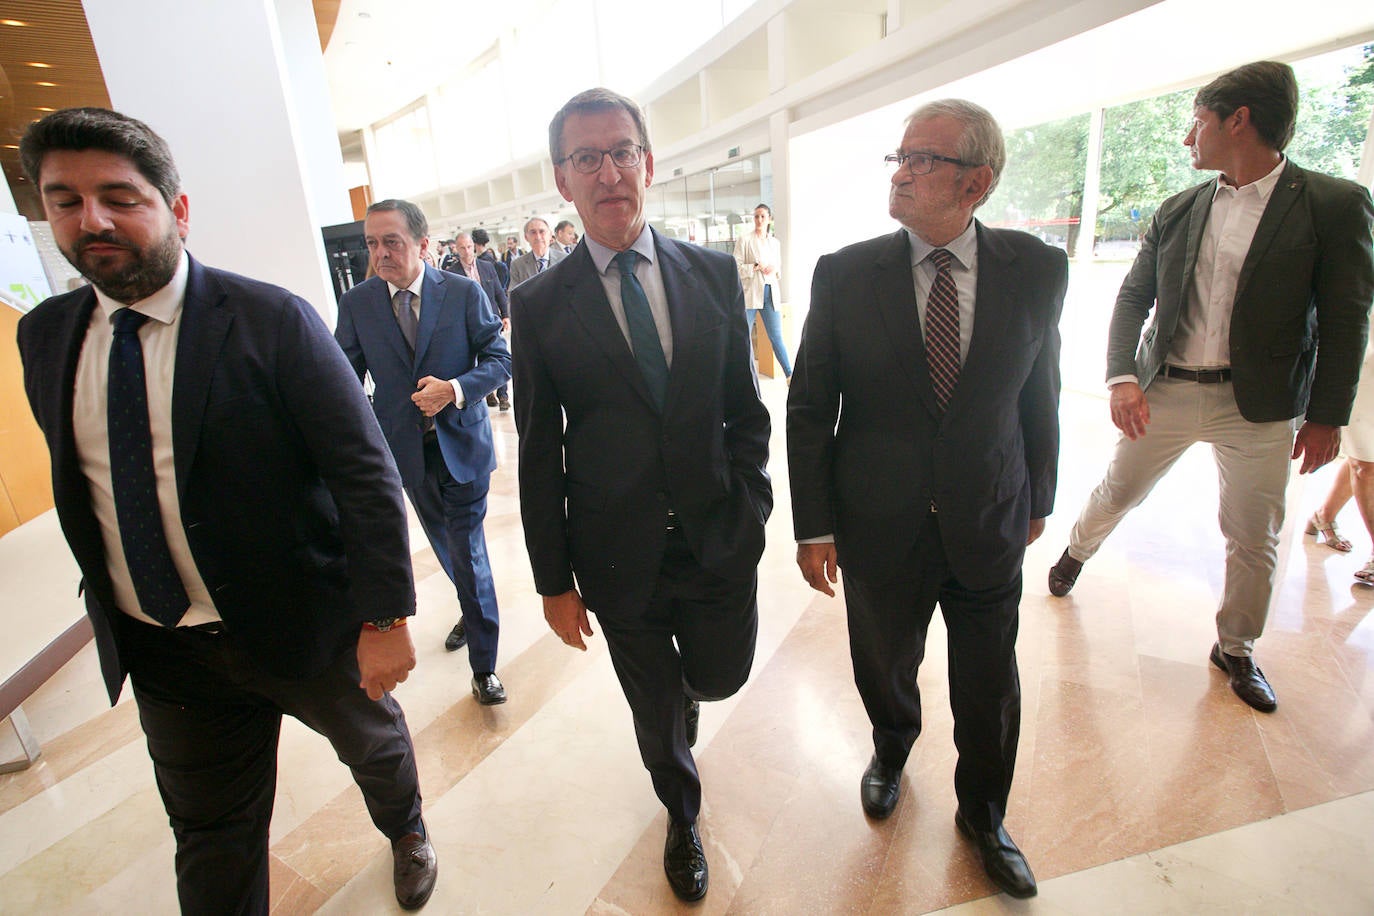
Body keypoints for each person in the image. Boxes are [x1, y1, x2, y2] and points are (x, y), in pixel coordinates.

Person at [16, 107, 438, 912]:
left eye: (118, 195)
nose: (91, 218)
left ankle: (407, 828)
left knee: (375, 749)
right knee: (209, 834)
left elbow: (363, 474)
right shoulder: (45, 338)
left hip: (302, 626)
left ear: (176, 209)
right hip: (164, 649)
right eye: (64, 199)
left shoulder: (270, 319)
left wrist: (385, 618)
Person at [788, 98, 1066, 900]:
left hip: (987, 512)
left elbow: (1037, 391)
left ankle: (983, 814)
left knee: (990, 680)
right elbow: (810, 406)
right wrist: (815, 525)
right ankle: (891, 742)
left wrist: (1038, 494)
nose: (902, 171)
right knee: (885, 655)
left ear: (976, 182)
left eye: (924, 160)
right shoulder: (846, 273)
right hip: (879, 520)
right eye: (900, 157)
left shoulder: (1037, 269)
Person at [1046, 61, 1374, 713]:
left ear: (1238, 120)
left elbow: (1345, 317)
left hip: (1260, 406)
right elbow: (1136, 294)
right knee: (1120, 489)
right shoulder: (1180, 207)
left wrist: (1326, 416)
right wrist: (1120, 377)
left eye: (1197, 123)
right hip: (1165, 388)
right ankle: (1076, 552)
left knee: (1255, 533)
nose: (1188, 138)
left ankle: (1237, 647)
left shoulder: (1333, 205)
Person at [510, 88, 771, 902]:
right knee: (655, 712)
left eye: (622, 151)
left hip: (716, 533)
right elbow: (538, 453)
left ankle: (690, 699)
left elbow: (743, 408)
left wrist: (753, 507)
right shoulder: (538, 306)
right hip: (616, 554)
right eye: (587, 158)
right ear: (563, 180)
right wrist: (554, 581)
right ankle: (682, 813)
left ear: (649, 165)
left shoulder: (713, 273)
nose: (609, 171)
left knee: (718, 677)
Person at [336, 200, 513, 704]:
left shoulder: (461, 292)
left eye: (391, 241)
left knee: (468, 549)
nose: (380, 253)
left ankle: (485, 667)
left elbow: (500, 360)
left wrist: (454, 389)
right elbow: (344, 382)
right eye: (371, 243)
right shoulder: (358, 305)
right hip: (407, 454)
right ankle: (471, 605)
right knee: (445, 545)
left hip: (464, 446)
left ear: (422, 243)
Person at [453, 231, 513, 413]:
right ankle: (487, 393)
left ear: (474, 246)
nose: (467, 251)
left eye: (469, 247)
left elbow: (498, 293)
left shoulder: (487, 267)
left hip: (492, 317)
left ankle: (503, 395)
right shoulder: (451, 273)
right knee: (478, 359)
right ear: (457, 250)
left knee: (498, 356)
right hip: (467, 323)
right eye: (462, 248)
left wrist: (506, 314)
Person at [734, 203, 792, 380]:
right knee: (744, 337)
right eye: (756, 216)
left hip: (770, 294)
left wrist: (774, 269)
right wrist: (755, 267)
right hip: (751, 294)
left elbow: (779, 269)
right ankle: (746, 376)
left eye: (762, 216)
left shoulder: (775, 243)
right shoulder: (744, 240)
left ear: (769, 219)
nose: (759, 220)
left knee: (776, 337)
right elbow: (735, 266)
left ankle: (790, 375)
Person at [507, 216, 567, 287]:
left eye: (542, 231)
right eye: (533, 232)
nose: (538, 237)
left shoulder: (565, 259)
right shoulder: (517, 265)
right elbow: (513, 294)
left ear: (550, 235)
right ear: (526, 237)